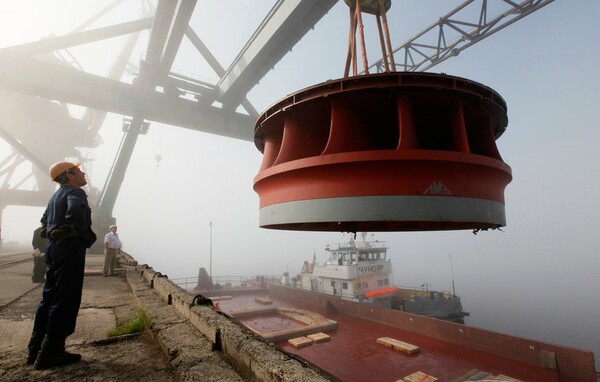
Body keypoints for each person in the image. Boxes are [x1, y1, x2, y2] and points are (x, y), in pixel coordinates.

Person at [26, 161, 97, 370]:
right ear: (69, 175)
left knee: (49, 296)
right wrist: (72, 232)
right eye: (79, 171)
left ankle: (34, 349)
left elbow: (44, 222)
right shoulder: (75, 193)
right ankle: (51, 352)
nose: (83, 173)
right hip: (69, 250)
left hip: (53, 250)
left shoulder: (54, 196)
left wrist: (53, 232)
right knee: (66, 298)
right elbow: (75, 213)